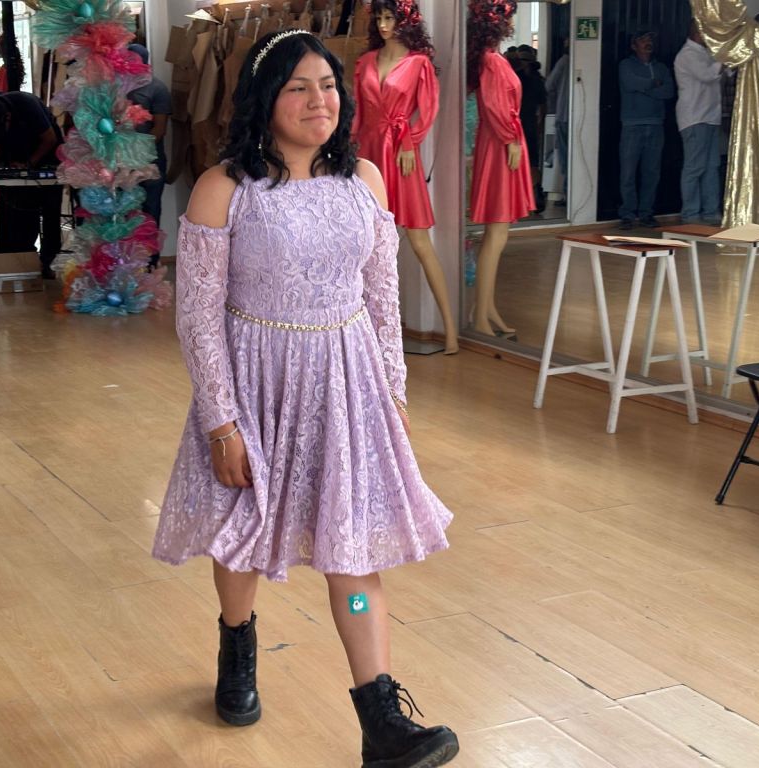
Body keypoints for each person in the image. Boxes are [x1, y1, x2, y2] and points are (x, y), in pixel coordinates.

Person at [151, 29, 458, 768]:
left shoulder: (366, 180)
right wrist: (220, 420)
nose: (319, 101)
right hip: (255, 382)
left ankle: (381, 719)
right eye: (298, 88)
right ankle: (237, 645)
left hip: (347, 384)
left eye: (328, 86)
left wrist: (394, 391)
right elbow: (198, 316)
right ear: (266, 99)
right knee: (244, 528)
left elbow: (382, 298)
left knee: (351, 545)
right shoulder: (225, 188)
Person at [353, 0, 458, 354]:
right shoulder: (365, 62)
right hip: (368, 154)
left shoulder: (419, 64)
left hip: (401, 155)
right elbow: (358, 114)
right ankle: (370, 335)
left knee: (420, 242)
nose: (384, 25)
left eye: (390, 18)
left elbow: (428, 111)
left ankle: (450, 330)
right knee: (367, 246)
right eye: (379, 18)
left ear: (406, 20)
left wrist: (410, 142)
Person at [466, 0, 535, 338]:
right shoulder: (492, 60)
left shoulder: (489, 58)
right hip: (499, 146)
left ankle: (486, 309)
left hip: (500, 142)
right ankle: (481, 315)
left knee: (498, 232)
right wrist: (511, 140)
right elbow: (495, 106)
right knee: (497, 232)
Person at [0, 92, 64, 277]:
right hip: (17, 158)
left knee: (50, 212)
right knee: (11, 208)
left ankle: (49, 262)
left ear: (8, 117)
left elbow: (50, 139)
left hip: (47, 157)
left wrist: (29, 164)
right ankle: (10, 260)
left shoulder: (28, 106)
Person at [617, 29, 674, 229]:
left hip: (656, 124)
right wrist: (653, 84)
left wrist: (644, 89)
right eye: (642, 40)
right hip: (632, 124)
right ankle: (627, 214)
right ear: (633, 45)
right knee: (628, 172)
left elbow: (669, 91)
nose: (648, 43)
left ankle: (646, 213)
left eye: (650, 40)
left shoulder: (661, 67)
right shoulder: (626, 65)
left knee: (652, 173)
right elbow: (629, 83)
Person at [127, 43, 172, 268]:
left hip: (150, 162)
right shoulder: (117, 87)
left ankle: (150, 262)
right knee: (124, 211)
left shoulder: (157, 88)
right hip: (121, 163)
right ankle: (126, 262)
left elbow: (160, 129)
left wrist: (137, 151)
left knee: (150, 211)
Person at [674, 20, 723, 225]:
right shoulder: (687, 54)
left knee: (711, 166)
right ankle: (690, 214)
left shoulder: (706, 53)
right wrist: (724, 56)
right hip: (695, 118)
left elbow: (723, 72)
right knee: (694, 167)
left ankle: (710, 211)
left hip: (711, 117)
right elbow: (708, 75)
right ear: (698, 32)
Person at [513, 45, 547, 212]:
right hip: (530, 124)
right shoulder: (538, 80)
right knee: (532, 161)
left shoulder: (516, 78)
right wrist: (540, 124)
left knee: (517, 162)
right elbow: (543, 105)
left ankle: (521, 197)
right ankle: (535, 195)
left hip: (517, 124)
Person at [545, 37, 570, 186]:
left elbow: (549, 86)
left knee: (565, 157)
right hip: (577, 118)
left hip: (563, 115)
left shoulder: (563, 61)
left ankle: (567, 192)